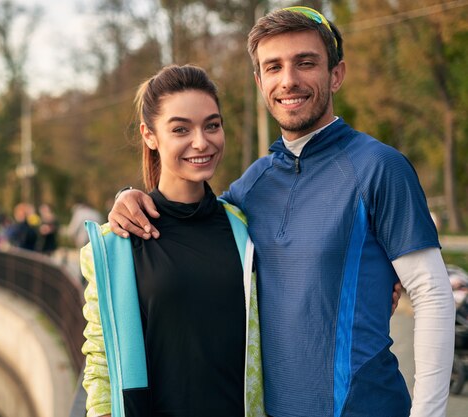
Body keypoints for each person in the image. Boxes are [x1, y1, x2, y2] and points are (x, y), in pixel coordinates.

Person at [108, 6, 455, 417]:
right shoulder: (249, 189)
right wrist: (127, 196)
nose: (288, 80)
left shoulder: (381, 166)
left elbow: (433, 296)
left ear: (336, 74)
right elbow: (192, 224)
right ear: (260, 81)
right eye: (274, 67)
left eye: (305, 63)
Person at [80, 64, 265, 417]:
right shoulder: (116, 245)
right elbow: (101, 362)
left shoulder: (244, 226)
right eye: (181, 128)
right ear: (150, 135)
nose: (201, 141)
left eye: (212, 125)